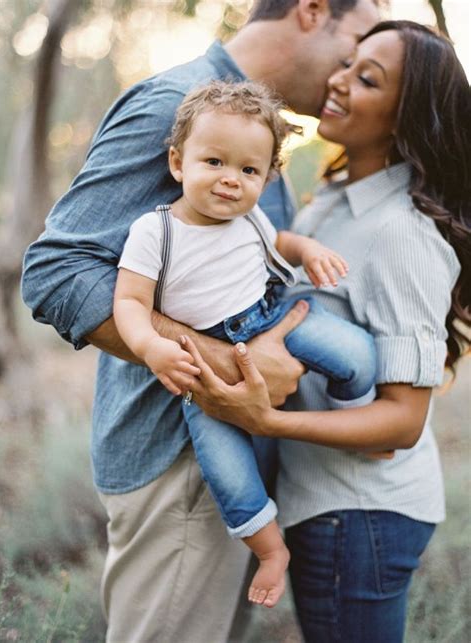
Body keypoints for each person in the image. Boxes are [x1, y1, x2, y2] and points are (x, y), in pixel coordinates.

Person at [21, 0, 380, 640]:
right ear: (312, 11)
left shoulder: (258, 136)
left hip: (234, 468)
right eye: (353, 45)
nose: (347, 73)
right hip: (181, 465)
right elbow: (56, 270)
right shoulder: (176, 105)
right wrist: (229, 365)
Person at [183, 20, 471, 642]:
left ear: (405, 116)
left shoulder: (403, 233)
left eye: (367, 79)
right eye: (348, 63)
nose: (339, 81)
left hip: (363, 515)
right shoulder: (331, 199)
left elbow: (401, 423)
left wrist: (268, 420)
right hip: (327, 503)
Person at [113, 79, 377, 608]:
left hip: (274, 315)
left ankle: (355, 420)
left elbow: (280, 242)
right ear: (177, 163)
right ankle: (271, 549)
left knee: (357, 354)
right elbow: (129, 304)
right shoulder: (154, 231)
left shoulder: (249, 215)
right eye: (214, 162)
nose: (231, 180)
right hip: (206, 369)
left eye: (249, 170)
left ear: (266, 177)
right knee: (230, 478)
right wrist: (149, 347)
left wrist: (309, 250)